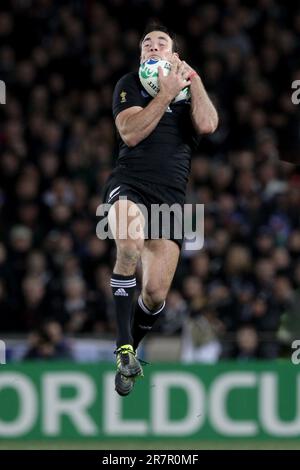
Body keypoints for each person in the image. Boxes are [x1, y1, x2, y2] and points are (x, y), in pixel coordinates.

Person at [102, 23, 218, 396]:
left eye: (161, 43)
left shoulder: (187, 89)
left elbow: (208, 124)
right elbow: (131, 133)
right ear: (141, 55)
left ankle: (129, 354)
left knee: (154, 295)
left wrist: (192, 80)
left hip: (170, 200)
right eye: (146, 43)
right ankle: (122, 347)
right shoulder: (129, 84)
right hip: (130, 184)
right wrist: (164, 96)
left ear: (174, 54)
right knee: (129, 245)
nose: (152, 46)